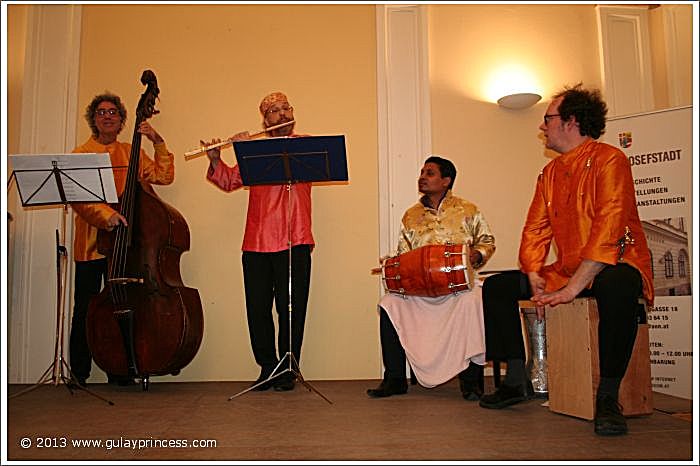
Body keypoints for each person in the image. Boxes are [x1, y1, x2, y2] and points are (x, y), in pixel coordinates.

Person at [478, 84, 653, 437]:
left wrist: (573, 288)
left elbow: (609, 229)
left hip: (618, 263)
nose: (543, 127)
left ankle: (607, 397)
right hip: (570, 270)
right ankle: (516, 380)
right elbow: (536, 229)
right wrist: (533, 273)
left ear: (571, 121)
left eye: (548, 119)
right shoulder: (550, 173)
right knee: (496, 287)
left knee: (616, 286)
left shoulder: (609, 159)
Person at [202, 91, 312, 392]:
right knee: (258, 307)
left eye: (286, 107)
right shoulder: (255, 153)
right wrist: (217, 159)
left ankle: (288, 368)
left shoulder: (306, 145)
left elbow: (294, 164)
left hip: (296, 238)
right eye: (274, 111)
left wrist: (248, 149)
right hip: (257, 240)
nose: (282, 113)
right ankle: (267, 366)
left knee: (291, 307)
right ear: (265, 120)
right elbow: (229, 181)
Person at [367, 156, 496, 400]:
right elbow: (404, 253)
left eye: (430, 173)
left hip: (458, 289)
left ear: (446, 181)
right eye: (422, 173)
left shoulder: (468, 210)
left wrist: (475, 255)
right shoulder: (411, 215)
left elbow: (487, 241)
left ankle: (471, 382)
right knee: (389, 304)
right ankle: (394, 378)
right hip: (422, 291)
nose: (422, 177)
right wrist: (392, 264)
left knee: (474, 301)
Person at [69, 93, 174, 386]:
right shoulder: (80, 154)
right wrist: (107, 216)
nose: (107, 116)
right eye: (101, 112)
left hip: (127, 246)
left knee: (123, 305)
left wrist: (158, 141)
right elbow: (80, 199)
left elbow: (164, 177)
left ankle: (121, 369)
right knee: (87, 307)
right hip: (92, 243)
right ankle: (80, 372)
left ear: (121, 120)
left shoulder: (132, 152)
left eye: (113, 112)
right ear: (93, 119)